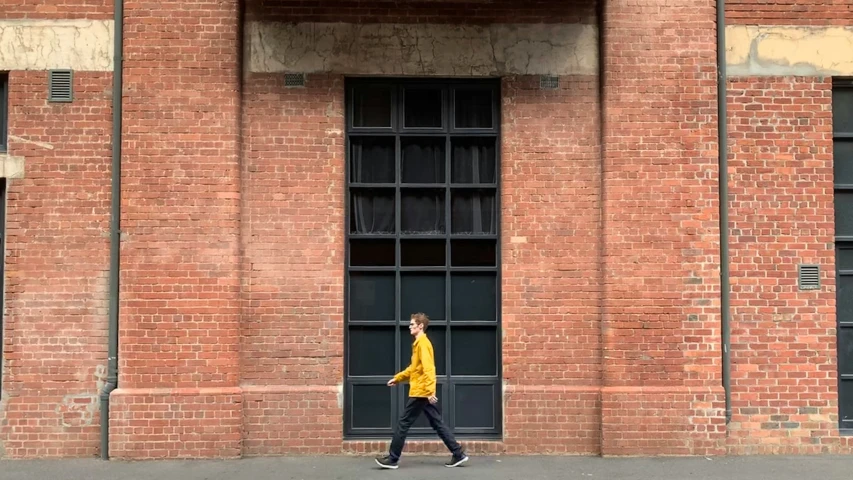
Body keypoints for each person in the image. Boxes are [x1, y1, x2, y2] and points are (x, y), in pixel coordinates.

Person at [374, 313, 469, 469]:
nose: (409, 327)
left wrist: (430, 391)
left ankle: (392, 459)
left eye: (412, 324)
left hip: (420, 392)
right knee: (437, 422)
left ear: (420, 326)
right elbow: (414, 368)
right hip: (422, 390)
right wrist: (397, 378)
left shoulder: (423, 344)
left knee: (403, 423)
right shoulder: (419, 344)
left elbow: (429, 369)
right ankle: (458, 453)